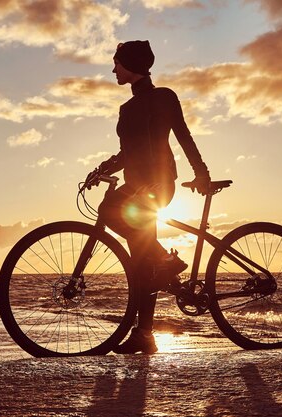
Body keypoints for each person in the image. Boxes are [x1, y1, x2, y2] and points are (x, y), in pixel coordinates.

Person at [88, 40, 211, 354]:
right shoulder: (127, 107)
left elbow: (183, 135)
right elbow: (128, 153)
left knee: (109, 209)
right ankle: (144, 334)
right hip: (137, 186)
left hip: (158, 185)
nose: (113, 68)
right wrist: (102, 168)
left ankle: (166, 262)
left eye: (117, 62)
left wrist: (201, 172)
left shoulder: (164, 97)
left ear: (129, 64)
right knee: (143, 261)